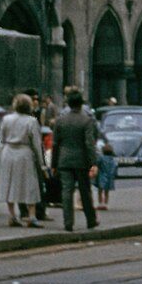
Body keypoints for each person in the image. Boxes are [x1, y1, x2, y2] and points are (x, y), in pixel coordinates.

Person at [52, 88, 100, 231]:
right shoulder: (87, 120)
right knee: (85, 191)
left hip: (64, 160)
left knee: (67, 191)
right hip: (81, 160)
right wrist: (93, 162)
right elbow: (89, 143)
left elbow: (56, 143)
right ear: (81, 104)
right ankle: (90, 220)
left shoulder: (60, 120)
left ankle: (68, 222)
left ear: (68, 104)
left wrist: (54, 163)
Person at [0, 93, 45, 228]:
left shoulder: (6, 119)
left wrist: (2, 154)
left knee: (9, 183)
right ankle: (32, 216)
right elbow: (36, 143)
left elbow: (2, 138)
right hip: (24, 153)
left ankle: (12, 215)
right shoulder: (31, 121)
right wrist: (41, 162)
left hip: (8, 152)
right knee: (29, 184)